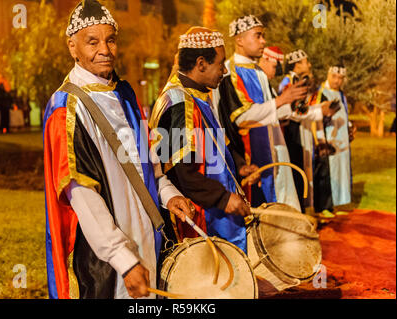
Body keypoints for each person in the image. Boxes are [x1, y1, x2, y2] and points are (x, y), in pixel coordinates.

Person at [43, 0, 193, 300]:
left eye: (110, 40)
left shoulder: (124, 93)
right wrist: (124, 261)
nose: (105, 50)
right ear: (72, 47)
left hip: (148, 240)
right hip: (108, 262)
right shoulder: (67, 109)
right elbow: (83, 197)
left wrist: (168, 193)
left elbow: (144, 166)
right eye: (92, 42)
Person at [149, 26, 260, 253]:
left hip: (209, 208)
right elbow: (182, 173)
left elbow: (215, 144)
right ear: (201, 64)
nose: (225, 71)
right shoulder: (179, 102)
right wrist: (222, 198)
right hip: (195, 219)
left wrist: (239, 165)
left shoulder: (197, 94)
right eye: (221, 64)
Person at [215, 15, 307, 212]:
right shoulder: (230, 71)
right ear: (239, 40)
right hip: (250, 158)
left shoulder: (257, 71)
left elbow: (271, 111)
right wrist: (281, 100)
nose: (263, 41)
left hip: (273, 152)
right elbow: (241, 118)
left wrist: (292, 104)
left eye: (263, 36)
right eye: (258, 36)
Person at [275, 49, 336, 213]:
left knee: (305, 168)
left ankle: (305, 207)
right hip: (292, 131)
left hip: (303, 128)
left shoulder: (298, 80)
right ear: (297, 64)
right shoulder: (286, 84)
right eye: (306, 62)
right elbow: (291, 111)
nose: (309, 65)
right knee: (297, 168)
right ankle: (298, 210)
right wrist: (318, 111)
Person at [312, 65, 353, 212]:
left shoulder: (341, 94)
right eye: (334, 77)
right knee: (326, 172)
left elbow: (345, 113)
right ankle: (324, 207)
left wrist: (349, 127)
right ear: (328, 75)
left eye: (340, 78)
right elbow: (315, 118)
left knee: (340, 171)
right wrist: (320, 140)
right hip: (328, 139)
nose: (337, 81)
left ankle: (337, 203)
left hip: (342, 140)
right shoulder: (320, 93)